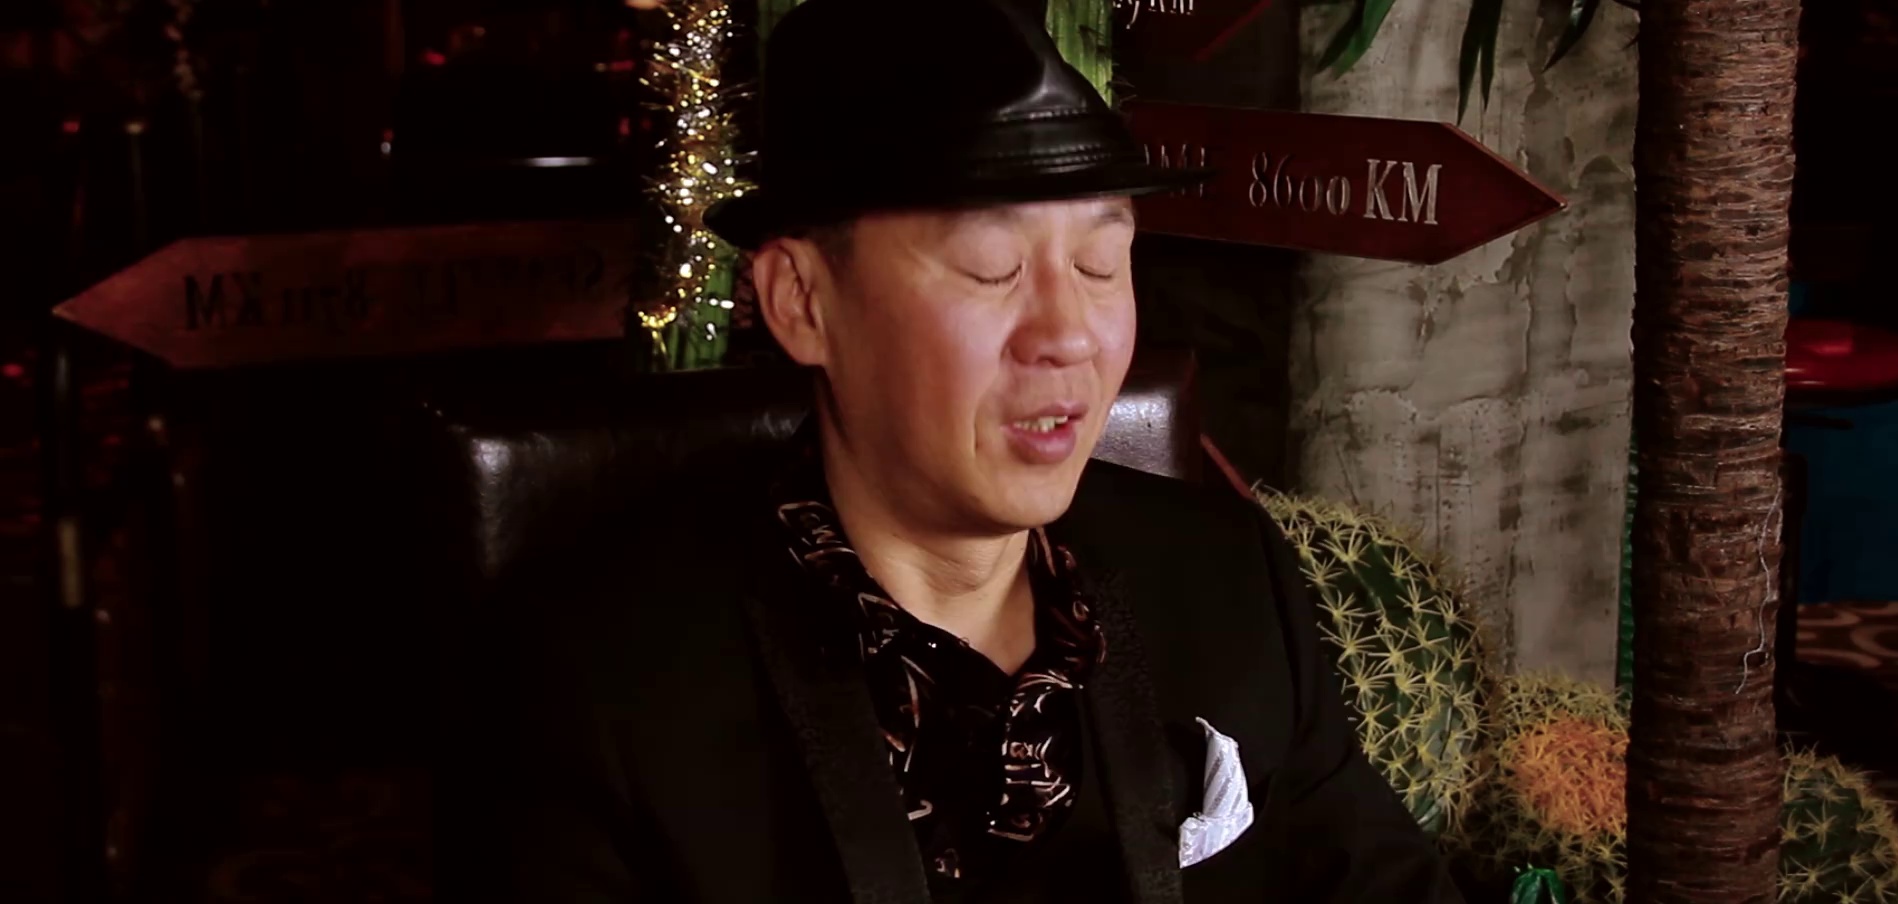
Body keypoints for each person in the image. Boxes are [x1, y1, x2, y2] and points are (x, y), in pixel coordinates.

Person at [445, 0, 1464, 901]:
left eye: (1100, 262)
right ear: (802, 301)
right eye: (989, 268)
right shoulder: (604, 686)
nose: (1067, 335)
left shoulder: (1228, 583)